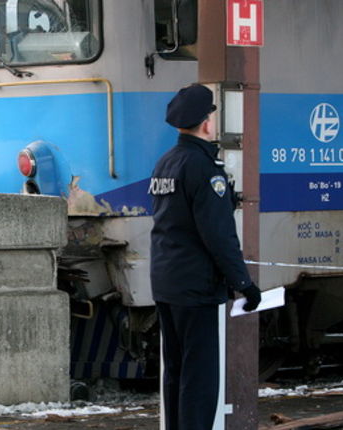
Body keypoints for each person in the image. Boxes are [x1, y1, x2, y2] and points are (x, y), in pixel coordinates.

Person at [148, 83, 262, 430]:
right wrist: (243, 282)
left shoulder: (165, 163)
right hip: (195, 287)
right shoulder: (204, 168)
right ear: (207, 123)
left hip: (166, 283)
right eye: (211, 114)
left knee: (176, 372)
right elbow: (219, 235)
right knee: (199, 380)